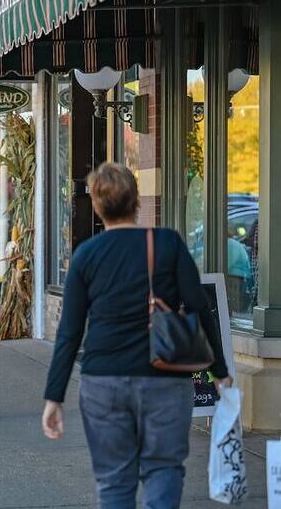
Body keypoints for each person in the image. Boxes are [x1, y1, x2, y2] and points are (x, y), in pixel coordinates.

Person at [41, 162, 231, 508]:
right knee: (164, 470)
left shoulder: (86, 256)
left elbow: (69, 332)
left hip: (103, 382)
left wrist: (54, 397)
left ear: (97, 206)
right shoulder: (168, 243)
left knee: (114, 481)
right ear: (137, 200)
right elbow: (200, 308)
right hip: (165, 379)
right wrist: (219, 372)